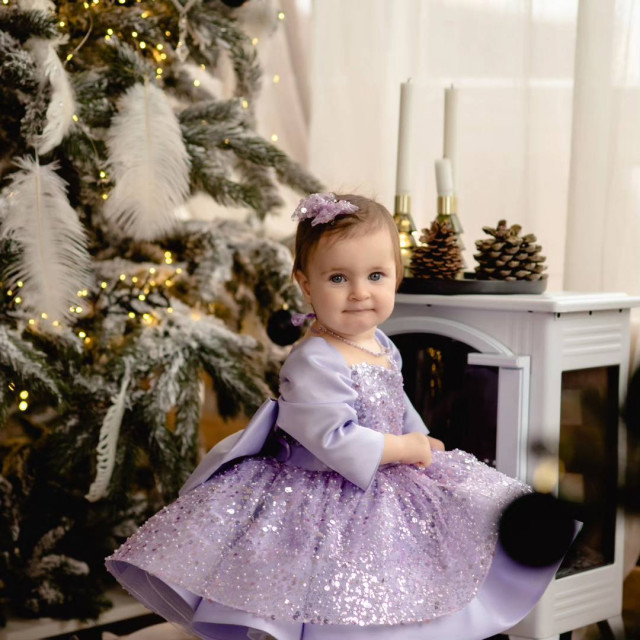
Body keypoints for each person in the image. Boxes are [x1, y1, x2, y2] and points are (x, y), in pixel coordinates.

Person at [106, 193, 570, 640]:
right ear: (306, 284)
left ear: (396, 277)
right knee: (335, 589)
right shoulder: (314, 359)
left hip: (386, 474)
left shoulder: (381, 342)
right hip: (326, 489)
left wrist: (419, 436)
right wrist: (403, 447)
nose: (360, 293)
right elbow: (332, 438)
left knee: (414, 566)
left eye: (376, 275)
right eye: (338, 278)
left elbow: (396, 398)